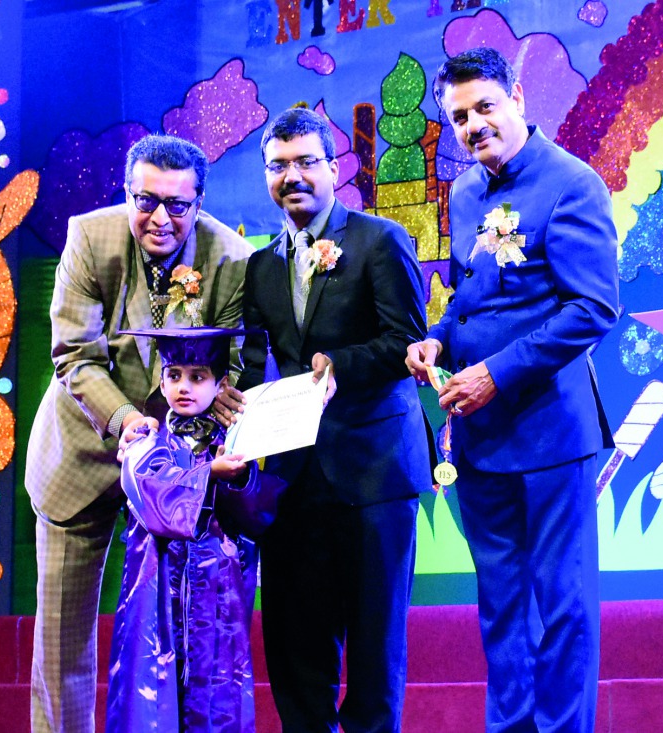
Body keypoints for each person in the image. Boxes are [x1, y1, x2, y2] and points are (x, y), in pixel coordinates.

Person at [405, 48, 620, 732]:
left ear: (518, 97)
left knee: (561, 607)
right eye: (459, 116)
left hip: (551, 434)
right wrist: (437, 336)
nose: (473, 126)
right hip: (479, 438)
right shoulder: (464, 192)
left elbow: (593, 308)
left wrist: (496, 372)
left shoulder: (573, 183)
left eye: (485, 107)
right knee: (500, 606)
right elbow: (475, 300)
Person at [25, 134, 254, 733]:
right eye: (145, 200)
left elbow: (229, 361)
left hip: (173, 481)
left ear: (199, 202)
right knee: (61, 645)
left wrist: (211, 406)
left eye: (178, 205)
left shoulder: (230, 256)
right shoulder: (90, 237)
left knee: (171, 642)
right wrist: (129, 423)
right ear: (126, 193)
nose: (160, 218)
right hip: (82, 454)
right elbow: (75, 353)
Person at [225, 106, 431, 733]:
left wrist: (338, 365)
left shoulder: (379, 240)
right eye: (278, 165)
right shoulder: (258, 268)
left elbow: (408, 342)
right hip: (290, 480)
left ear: (335, 169)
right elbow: (254, 366)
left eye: (307, 162)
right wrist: (230, 408)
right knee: (295, 651)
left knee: (373, 652)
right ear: (265, 177)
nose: (293, 176)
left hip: (374, 476)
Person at [107, 327, 283, 733]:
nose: (184, 387)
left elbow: (256, 517)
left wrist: (238, 480)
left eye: (198, 376)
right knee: (151, 697)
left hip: (216, 600)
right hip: (156, 600)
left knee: (216, 700)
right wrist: (209, 474)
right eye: (174, 375)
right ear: (162, 380)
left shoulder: (234, 441)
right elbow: (158, 502)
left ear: (221, 384)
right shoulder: (143, 442)